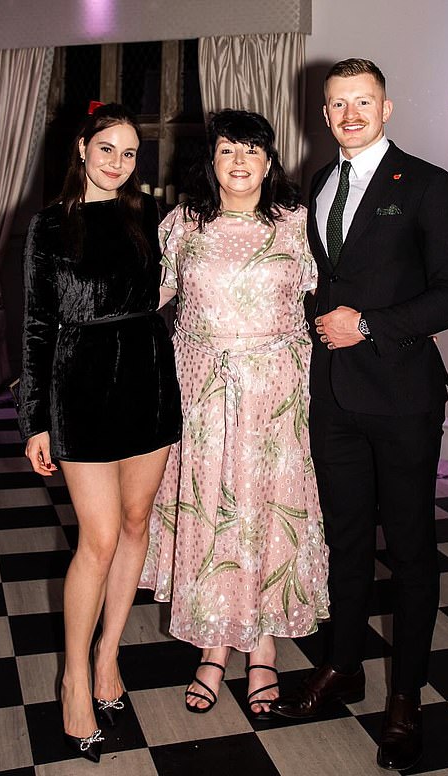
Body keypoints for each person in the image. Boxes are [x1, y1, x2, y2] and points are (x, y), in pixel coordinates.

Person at [271, 59, 448, 771]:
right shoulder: (317, 186)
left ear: (386, 107)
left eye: (363, 102)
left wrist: (371, 325)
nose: (349, 114)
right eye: (337, 104)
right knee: (346, 542)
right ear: (323, 113)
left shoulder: (427, 185)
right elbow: (320, 284)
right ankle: (342, 667)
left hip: (403, 397)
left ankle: (405, 698)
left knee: (412, 549)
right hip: (333, 398)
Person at [140, 109, 329, 718]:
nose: (240, 161)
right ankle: (213, 646)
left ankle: (264, 648)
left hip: (277, 399)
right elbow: (143, 300)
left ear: (269, 162)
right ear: (212, 163)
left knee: (265, 516)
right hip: (203, 397)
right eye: (227, 150)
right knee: (215, 518)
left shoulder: (297, 225)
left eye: (252, 150)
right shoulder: (184, 225)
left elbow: (341, 291)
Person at [18, 103, 181, 763]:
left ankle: (110, 656)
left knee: (138, 525)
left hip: (147, 381)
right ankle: (74, 678)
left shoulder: (148, 217)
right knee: (101, 537)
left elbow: (170, 296)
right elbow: (34, 324)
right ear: (82, 146)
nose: (118, 162)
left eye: (130, 152)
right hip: (81, 388)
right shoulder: (50, 225)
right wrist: (35, 420)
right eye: (107, 148)